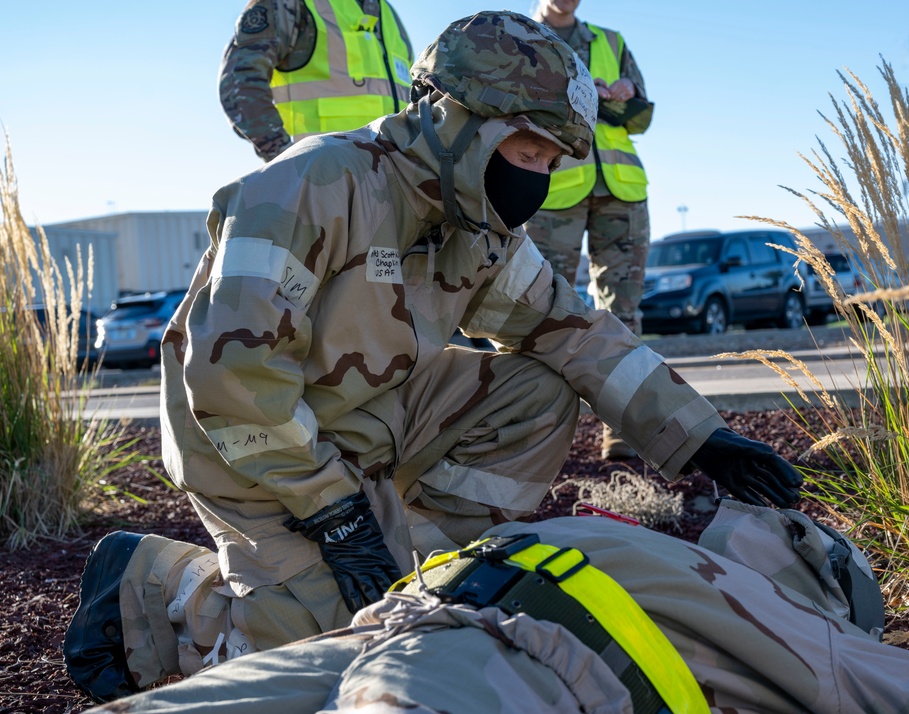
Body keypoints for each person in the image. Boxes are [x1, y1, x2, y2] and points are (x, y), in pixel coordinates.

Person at [62, 11, 803, 704]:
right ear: (458, 121)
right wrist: (335, 514)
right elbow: (231, 380)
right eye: (526, 150)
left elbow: (569, 327)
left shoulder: (472, 217)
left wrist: (697, 433)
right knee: (324, 656)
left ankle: (412, 575)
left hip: (365, 414)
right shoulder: (309, 186)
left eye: (548, 159)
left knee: (538, 393)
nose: (536, 178)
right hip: (247, 443)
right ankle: (157, 581)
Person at [79, 515, 909, 713]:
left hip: (401, 631)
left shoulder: (619, 532)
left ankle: (158, 581)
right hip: (501, 668)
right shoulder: (822, 640)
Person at [525, 0, 655, 461]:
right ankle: (533, 435)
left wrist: (627, 92)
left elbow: (641, 118)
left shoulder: (611, 41)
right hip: (554, 188)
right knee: (540, 311)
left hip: (620, 191)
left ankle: (623, 431)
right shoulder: (521, 35)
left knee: (624, 311)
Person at [219, 0, 413, 162]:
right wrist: (286, 160)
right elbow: (239, 83)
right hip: (322, 187)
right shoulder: (291, 5)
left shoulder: (389, 16)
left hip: (394, 189)